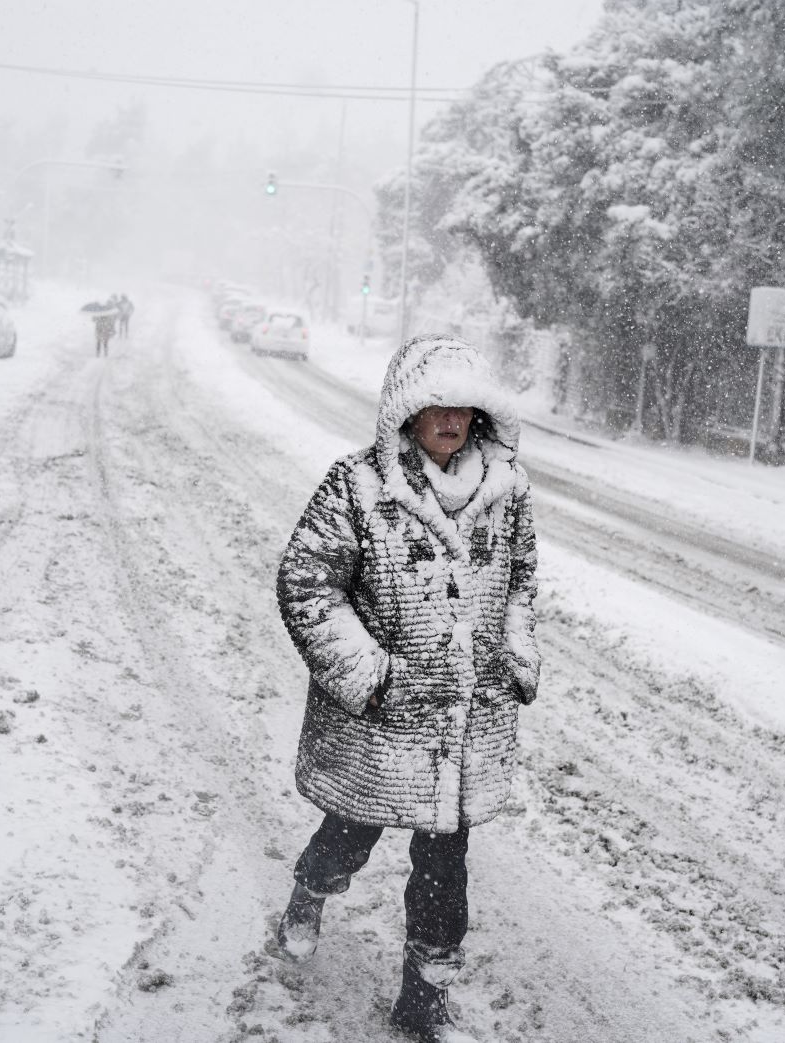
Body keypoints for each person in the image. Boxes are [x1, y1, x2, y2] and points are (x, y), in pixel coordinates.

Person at [275, 333, 540, 1043]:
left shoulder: (507, 491)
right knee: (351, 831)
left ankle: (423, 996)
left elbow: (521, 580)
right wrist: (372, 675)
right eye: (434, 407)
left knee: (443, 867)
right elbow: (308, 586)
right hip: (381, 720)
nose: (449, 420)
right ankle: (310, 891)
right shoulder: (357, 486)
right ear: (407, 413)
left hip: (462, 722)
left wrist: (517, 650)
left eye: (462, 407)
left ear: (479, 415)